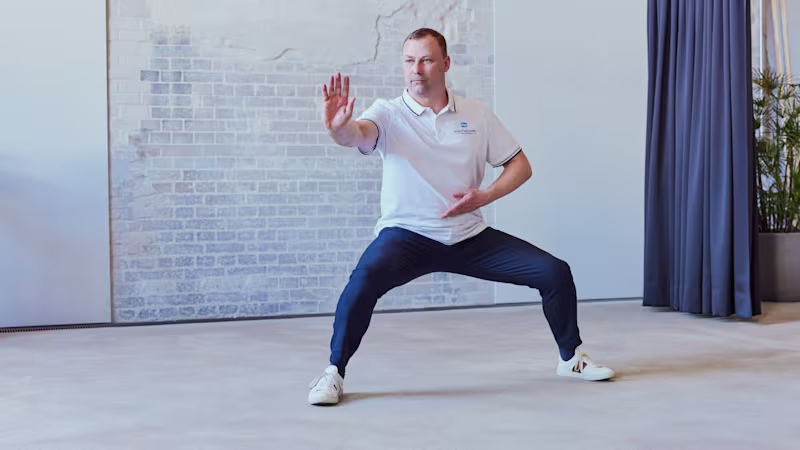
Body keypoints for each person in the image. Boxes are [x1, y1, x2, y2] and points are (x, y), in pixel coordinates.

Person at [308, 28, 614, 406]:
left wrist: (484, 195)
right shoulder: (387, 114)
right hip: (407, 235)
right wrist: (339, 129)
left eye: (425, 59)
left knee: (554, 271)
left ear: (446, 64)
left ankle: (571, 358)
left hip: (469, 235)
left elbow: (520, 165)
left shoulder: (476, 115)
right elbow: (357, 134)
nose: (416, 69)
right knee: (364, 280)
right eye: (408, 61)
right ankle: (333, 372)